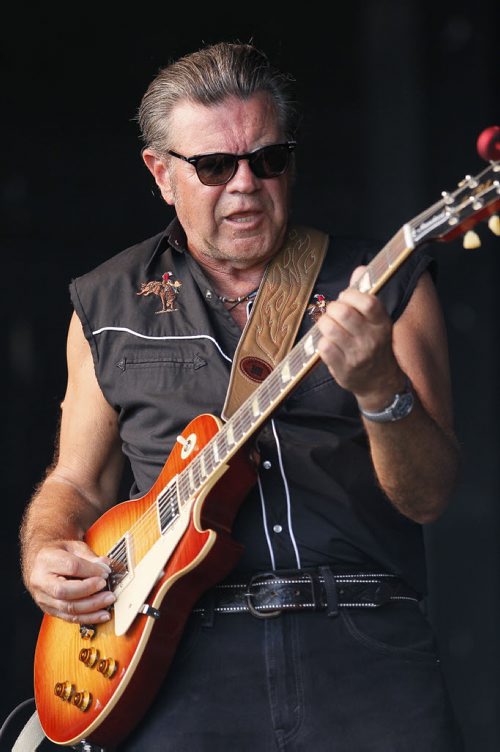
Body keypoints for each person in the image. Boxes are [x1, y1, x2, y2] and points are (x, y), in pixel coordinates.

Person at [18, 41, 464, 751]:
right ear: (161, 174)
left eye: (269, 159)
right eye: (215, 166)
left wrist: (381, 388)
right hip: (175, 654)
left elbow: (429, 497)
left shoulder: (380, 283)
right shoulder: (105, 304)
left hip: (363, 644)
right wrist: (45, 550)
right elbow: (76, 482)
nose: (246, 185)